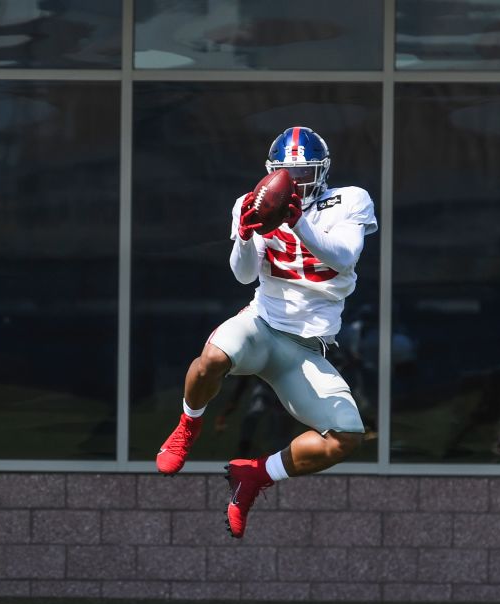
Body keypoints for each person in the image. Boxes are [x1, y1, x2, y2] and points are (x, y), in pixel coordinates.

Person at [155, 126, 377, 538]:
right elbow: (242, 276)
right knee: (212, 359)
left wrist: (297, 224)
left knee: (346, 436)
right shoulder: (250, 201)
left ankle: (255, 476)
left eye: (305, 172)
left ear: (322, 171)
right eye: (288, 172)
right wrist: (243, 234)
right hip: (263, 323)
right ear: (272, 171)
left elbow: (344, 259)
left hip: (308, 348)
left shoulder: (350, 199)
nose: (296, 181)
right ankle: (189, 425)